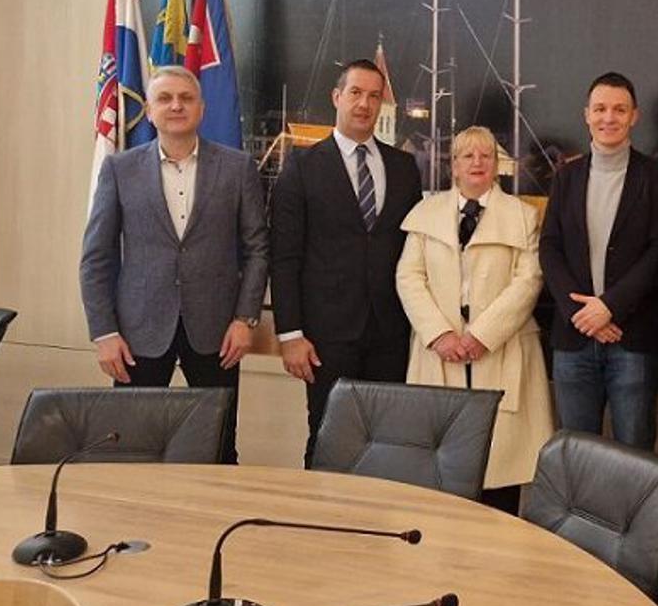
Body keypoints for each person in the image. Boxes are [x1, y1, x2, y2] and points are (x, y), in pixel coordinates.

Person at [81, 65, 268, 464]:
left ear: (201, 108)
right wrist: (104, 332)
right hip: (138, 333)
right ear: (149, 111)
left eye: (186, 98)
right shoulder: (119, 169)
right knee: (131, 449)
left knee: (219, 449)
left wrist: (245, 319)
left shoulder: (238, 168)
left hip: (218, 332)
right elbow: (96, 257)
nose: (176, 106)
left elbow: (257, 250)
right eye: (165, 99)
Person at [270, 59, 423, 465]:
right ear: (337, 97)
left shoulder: (404, 168)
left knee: (385, 444)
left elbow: (414, 252)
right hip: (325, 336)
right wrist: (290, 335)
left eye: (374, 96)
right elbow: (284, 257)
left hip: (390, 334)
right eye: (355, 93)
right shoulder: (302, 166)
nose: (364, 104)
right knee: (328, 441)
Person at [397, 126, 554, 512]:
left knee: (501, 471)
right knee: (441, 475)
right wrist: (439, 334)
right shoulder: (425, 214)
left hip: (502, 349)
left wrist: (483, 334)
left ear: (497, 165)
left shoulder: (523, 216)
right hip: (440, 352)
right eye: (467, 155)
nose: (477, 162)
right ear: (454, 166)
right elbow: (409, 277)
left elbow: (529, 280)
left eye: (486, 155)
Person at [538, 72, 658, 450]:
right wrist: (580, 313)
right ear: (586, 115)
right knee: (576, 453)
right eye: (600, 109)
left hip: (632, 338)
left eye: (619, 109)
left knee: (634, 455)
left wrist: (609, 307)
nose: (608, 118)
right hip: (574, 338)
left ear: (635, 116)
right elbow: (549, 248)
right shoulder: (566, 177)